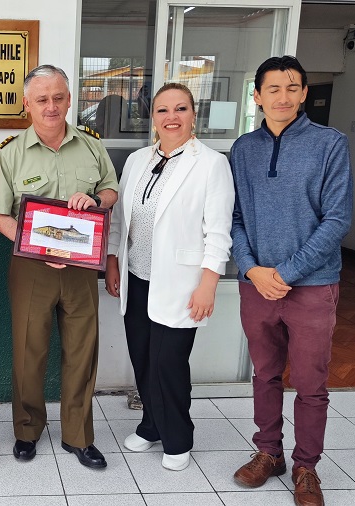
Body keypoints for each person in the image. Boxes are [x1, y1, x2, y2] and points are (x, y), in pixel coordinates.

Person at [229, 56, 352, 506]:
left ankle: (306, 465)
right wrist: (252, 268)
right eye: (273, 89)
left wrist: (287, 273)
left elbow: (337, 219)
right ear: (257, 96)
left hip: (313, 284)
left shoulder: (329, 144)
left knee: (310, 380)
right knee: (264, 374)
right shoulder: (243, 149)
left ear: (303, 94)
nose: (283, 97)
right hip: (257, 284)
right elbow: (236, 217)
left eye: (292, 88)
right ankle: (269, 453)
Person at [0, 64, 119, 469]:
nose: (51, 106)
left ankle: (78, 435)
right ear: (27, 104)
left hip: (81, 266)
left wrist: (96, 201)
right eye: (41, 99)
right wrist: (35, 246)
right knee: (29, 351)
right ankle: (27, 430)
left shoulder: (91, 147)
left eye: (58, 97)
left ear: (70, 99)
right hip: (33, 267)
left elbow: (111, 189)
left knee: (82, 350)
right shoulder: (10, 152)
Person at [104, 83, 234, 471]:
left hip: (181, 282)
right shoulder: (138, 159)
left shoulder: (211, 164)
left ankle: (178, 437)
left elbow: (219, 231)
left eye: (180, 109)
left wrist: (209, 283)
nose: (171, 117)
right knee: (143, 359)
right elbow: (121, 219)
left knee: (169, 363)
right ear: (153, 118)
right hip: (136, 275)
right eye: (162, 110)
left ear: (194, 115)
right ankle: (151, 426)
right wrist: (112, 259)